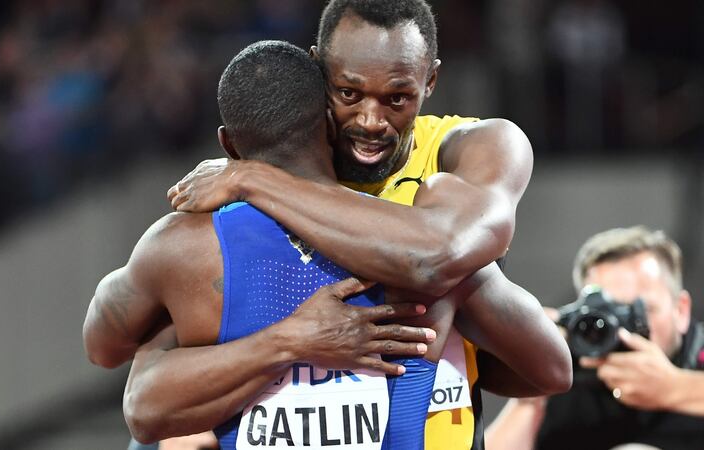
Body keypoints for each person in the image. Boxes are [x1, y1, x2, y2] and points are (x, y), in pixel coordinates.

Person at [85, 37, 569, 448]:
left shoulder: (181, 249)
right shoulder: (417, 238)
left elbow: (107, 350)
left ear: (229, 145)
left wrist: (285, 343)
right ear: (331, 120)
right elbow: (553, 371)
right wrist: (297, 340)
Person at [485, 226, 704, 450]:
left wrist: (672, 387)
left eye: (640, 311)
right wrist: (534, 386)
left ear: (681, 310)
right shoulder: (572, 369)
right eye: (606, 315)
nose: (622, 330)